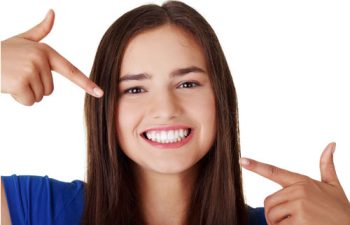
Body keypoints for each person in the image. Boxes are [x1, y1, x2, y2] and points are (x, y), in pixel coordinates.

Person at [1, 1, 349, 225]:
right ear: (104, 108)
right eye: (135, 89)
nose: (166, 109)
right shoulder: (34, 209)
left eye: (187, 84)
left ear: (220, 99)